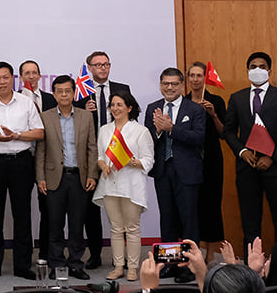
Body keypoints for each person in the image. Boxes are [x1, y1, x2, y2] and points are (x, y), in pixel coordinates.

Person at [0, 61, 44, 281]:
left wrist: (17, 135)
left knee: (22, 215)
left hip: (21, 162)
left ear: (13, 78)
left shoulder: (26, 102)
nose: (2, 82)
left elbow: (39, 132)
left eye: (6, 77)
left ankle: (23, 265)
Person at [223, 51, 277, 249]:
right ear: (247, 71)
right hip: (246, 169)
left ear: (269, 71)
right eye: (253, 67)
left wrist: (272, 157)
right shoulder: (237, 98)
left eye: (262, 67)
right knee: (249, 221)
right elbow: (229, 131)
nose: (257, 70)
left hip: (276, 169)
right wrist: (242, 151)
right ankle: (251, 264)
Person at [145, 67, 205, 283]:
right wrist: (158, 130)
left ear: (182, 85)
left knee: (189, 221)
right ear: (160, 85)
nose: (169, 87)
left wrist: (171, 128)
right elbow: (147, 139)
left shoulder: (195, 109)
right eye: (165, 84)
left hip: (187, 172)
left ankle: (189, 267)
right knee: (167, 219)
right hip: (163, 171)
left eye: (174, 84)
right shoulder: (153, 108)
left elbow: (199, 138)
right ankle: (170, 264)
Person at [36, 75, 97, 281]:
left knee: (77, 224)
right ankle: (56, 264)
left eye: (67, 91)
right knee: (55, 224)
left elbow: (92, 147)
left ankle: (76, 264)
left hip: (79, 177)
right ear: (54, 94)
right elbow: (41, 150)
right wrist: (40, 177)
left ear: (73, 93)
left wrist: (92, 174)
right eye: (60, 91)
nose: (64, 95)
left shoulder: (85, 116)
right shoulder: (45, 117)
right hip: (54, 178)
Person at [75, 51, 130, 269]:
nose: (102, 68)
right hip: (91, 157)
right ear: (89, 68)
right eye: (97, 65)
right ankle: (95, 254)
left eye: (106, 64)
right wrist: (83, 109)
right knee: (91, 210)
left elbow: (131, 117)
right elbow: (72, 120)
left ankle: (123, 255)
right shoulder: (81, 93)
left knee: (120, 207)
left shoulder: (122, 89)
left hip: (116, 155)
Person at [92, 91, 154, 282]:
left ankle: (133, 267)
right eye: (112, 105)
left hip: (131, 185)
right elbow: (100, 156)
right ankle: (118, 266)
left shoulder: (140, 131)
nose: (115, 108)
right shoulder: (105, 130)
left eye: (119, 105)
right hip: (110, 184)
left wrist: (131, 161)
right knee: (116, 228)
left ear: (129, 108)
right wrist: (103, 166)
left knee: (132, 228)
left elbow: (149, 160)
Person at [186, 62, 227, 260]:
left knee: (211, 206)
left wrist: (213, 114)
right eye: (192, 75)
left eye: (199, 75)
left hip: (211, 161)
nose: (195, 79)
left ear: (205, 77)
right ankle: (191, 253)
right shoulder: (183, 102)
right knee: (189, 207)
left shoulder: (216, 101)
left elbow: (223, 133)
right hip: (188, 160)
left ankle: (210, 254)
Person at [20, 59, 56, 263]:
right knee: (22, 208)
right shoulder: (15, 99)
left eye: (34, 72)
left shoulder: (51, 99)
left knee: (48, 209)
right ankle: (24, 256)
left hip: (47, 159)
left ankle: (46, 254)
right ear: (21, 77)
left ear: (40, 76)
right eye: (27, 73)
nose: (31, 76)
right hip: (24, 157)